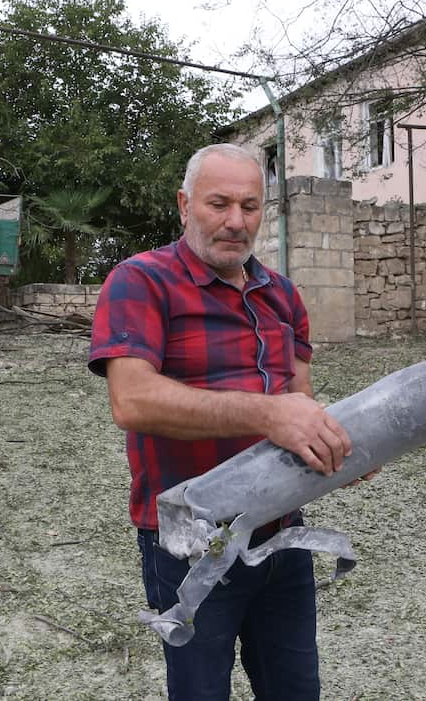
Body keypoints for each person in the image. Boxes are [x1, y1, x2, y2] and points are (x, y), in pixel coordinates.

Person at [88, 142, 353, 701]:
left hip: (282, 536)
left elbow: (299, 403)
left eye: (251, 206)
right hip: (188, 542)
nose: (236, 221)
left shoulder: (282, 295)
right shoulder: (140, 282)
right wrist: (266, 412)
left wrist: (340, 448)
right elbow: (131, 401)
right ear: (185, 206)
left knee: (296, 690)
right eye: (219, 203)